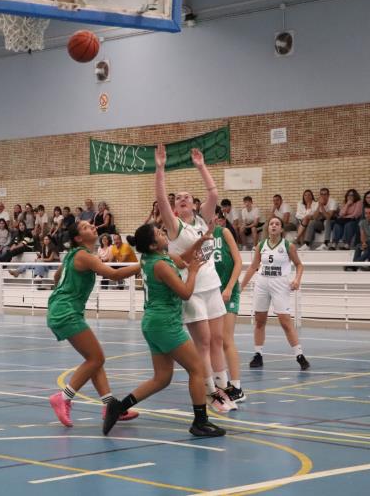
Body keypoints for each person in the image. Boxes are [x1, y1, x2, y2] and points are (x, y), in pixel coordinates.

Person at [102, 224, 225, 438]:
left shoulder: (153, 258)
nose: (162, 233)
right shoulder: (160, 265)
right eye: (159, 234)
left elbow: (183, 258)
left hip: (153, 323)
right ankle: (200, 421)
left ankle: (119, 407)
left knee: (162, 377)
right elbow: (186, 293)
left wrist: (199, 242)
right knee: (197, 369)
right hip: (164, 324)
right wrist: (194, 271)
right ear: (152, 244)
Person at [155, 146, 236, 412]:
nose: (182, 199)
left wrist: (201, 166)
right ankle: (212, 394)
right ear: (175, 208)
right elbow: (161, 199)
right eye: (177, 198)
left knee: (217, 340)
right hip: (192, 292)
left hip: (213, 287)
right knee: (201, 343)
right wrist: (160, 168)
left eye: (186, 197)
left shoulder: (204, 221)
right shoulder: (175, 226)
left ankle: (224, 387)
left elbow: (214, 193)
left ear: (194, 203)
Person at [47, 221, 141, 427]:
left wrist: (65, 293)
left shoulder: (73, 255)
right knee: (96, 358)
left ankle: (109, 406)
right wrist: (144, 264)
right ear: (78, 238)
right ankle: (63, 397)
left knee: (94, 360)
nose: (91, 227)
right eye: (85, 227)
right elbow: (114, 275)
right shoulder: (83, 256)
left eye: (91, 225)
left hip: (62, 308)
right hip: (66, 311)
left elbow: (56, 277)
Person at [241, 217, 310, 371]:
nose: (273, 226)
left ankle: (299, 354)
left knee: (285, 321)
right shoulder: (260, 245)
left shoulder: (288, 246)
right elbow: (253, 267)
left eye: (277, 224)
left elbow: (299, 265)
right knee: (259, 320)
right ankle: (258, 354)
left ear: (281, 229)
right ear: (268, 227)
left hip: (280, 284)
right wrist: (241, 286)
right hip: (262, 283)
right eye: (271, 223)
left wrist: (297, 280)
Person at [211, 211, 245, 402]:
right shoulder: (202, 238)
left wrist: (230, 288)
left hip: (228, 291)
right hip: (211, 293)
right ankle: (220, 383)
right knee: (212, 340)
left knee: (226, 339)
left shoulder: (223, 233)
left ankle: (237, 387)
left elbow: (238, 262)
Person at [349, 206, 370, 271]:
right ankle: (356, 266)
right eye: (366, 213)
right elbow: (362, 234)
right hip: (367, 241)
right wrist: (363, 243)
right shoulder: (362, 222)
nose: (367, 215)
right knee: (358, 246)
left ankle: (354, 265)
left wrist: (367, 243)